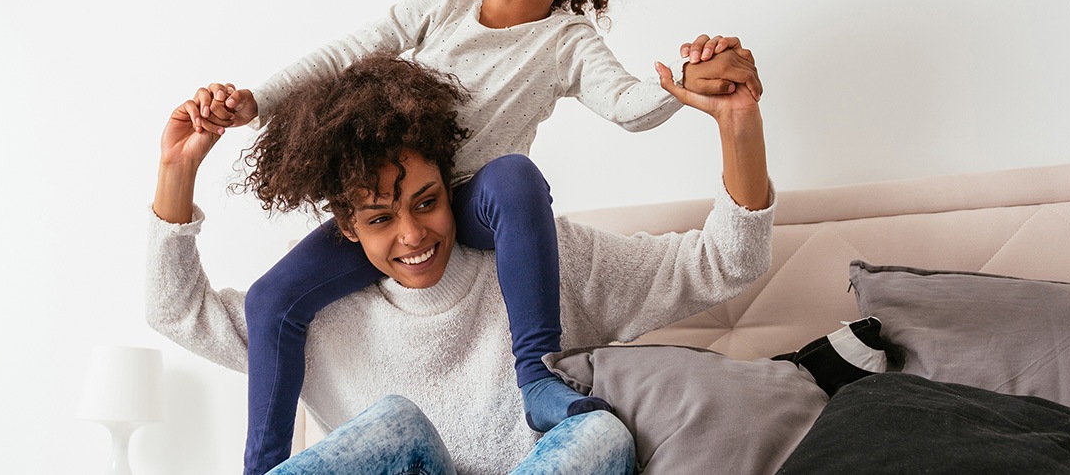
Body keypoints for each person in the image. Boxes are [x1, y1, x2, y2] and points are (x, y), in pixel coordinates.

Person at [180, 0, 764, 473]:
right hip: (408, 201)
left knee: (514, 176)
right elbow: (342, 55)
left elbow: (628, 102)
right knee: (273, 298)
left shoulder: (568, 39)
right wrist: (253, 102)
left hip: (477, 208)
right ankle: (264, 464)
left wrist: (682, 89)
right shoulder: (445, 3)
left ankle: (536, 373)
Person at [149, 55, 773, 474]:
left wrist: (738, 125)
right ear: (344, 227)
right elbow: (175, 311)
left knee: (602, 435)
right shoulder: (315, 316)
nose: (413, 235)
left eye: (426, 203)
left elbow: (721, 264)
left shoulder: (548, 259)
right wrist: (178, 171)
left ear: (453, 187)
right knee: (396, 421)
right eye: (379, 219)